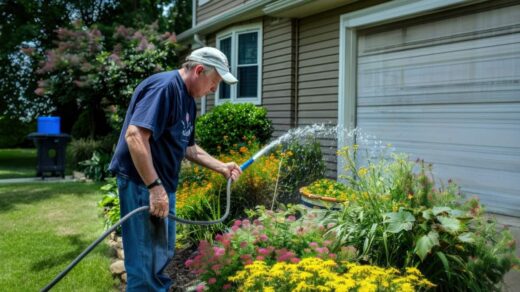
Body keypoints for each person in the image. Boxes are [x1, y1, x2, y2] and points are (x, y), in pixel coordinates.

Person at [108, 47, 242, 291]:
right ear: (199, 70)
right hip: (142, 185)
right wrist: (154, 187)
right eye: (215, 82)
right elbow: (135, 136)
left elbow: (188, 147)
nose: (214, 89)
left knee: (160, 259)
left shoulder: (188, 100)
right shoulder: (165, 88)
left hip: (159, 186)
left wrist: (221, 166)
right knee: (146, 266)